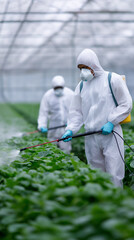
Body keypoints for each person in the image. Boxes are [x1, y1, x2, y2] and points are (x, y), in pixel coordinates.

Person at [62, 49, 132, 187]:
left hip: (111, 134)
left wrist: (111, 122)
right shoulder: (81, 86)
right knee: (95, 173)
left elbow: (126, 104)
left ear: (93, 65)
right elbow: (76, 111)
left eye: (85, 67)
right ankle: (101, 202)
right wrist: (70, 129)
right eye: (80, 68)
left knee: (114, 173)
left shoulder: (113, 79)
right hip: (91, 136)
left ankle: (115, 201)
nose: (82, 71)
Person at [37, 75, 74, 153]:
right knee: (51, 147)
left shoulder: (70, 94)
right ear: (52, 87)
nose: (58, 90)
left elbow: (76, 110)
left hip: (66, 126)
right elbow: (43, 112)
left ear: (63, 86)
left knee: (66, 148)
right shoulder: (48, 95)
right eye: (56, 88)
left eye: (60, 87)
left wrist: (72, 122)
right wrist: (42, 125)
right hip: (53, 126)